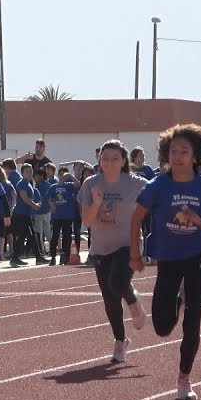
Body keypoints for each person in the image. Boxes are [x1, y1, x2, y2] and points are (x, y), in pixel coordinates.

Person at [130, 124, 201, 400]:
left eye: (184, 151)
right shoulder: (158, 185)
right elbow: (136, 218)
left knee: (193, 321)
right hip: (168, 258)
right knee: (161, 327)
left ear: (196, 155)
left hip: (197, 256)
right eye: (173, 151)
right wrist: (135, 254)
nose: (178, 156)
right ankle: (178, 301)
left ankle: (184, 377)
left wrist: (197, 220)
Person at [79, 140, 148, 363]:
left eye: (115, 158)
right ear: (99, 160)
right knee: (109, 301)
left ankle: (132, 299)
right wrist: (97, 204)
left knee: (117, 283)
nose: (109, 163)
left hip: (127, 244)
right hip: (100, 247)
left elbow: (159, 194)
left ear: (123, 161)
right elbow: (87, 221)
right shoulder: (91, 183)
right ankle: (120, 341)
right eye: (105, 158)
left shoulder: (135, 183)